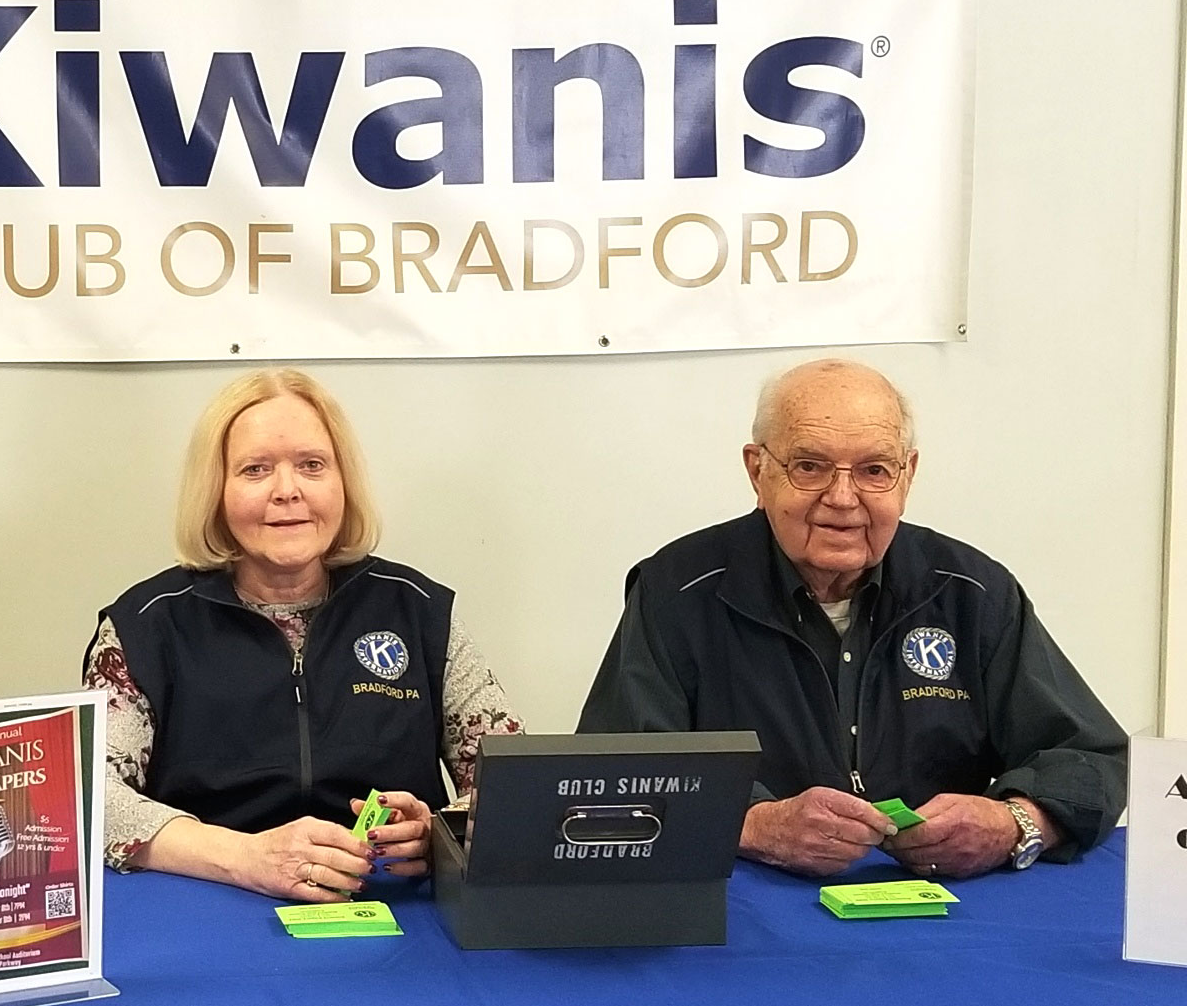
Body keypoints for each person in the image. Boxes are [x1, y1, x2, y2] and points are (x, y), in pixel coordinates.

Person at [579, 357, 1127, 880]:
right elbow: (612, 780)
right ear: (757, 470)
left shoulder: (973, 593)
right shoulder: (677, 590)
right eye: (810, 466)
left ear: (907, 475)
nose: (843, 498)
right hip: (745, 906)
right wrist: (749, 825)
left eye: (874, 470)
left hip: (942, 907)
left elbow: (1093, 760)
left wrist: (1014, 824)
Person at [85, 369, 521, 902]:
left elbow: (517, 786)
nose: (287, 491)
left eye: (312, 466)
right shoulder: (146, 627)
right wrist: (246, 858)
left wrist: (440, 831)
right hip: (209, 905)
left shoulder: (421, 613)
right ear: (215, 489)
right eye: (255, 469)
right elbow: (89, 795)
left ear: (343, 482)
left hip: (398, 917)